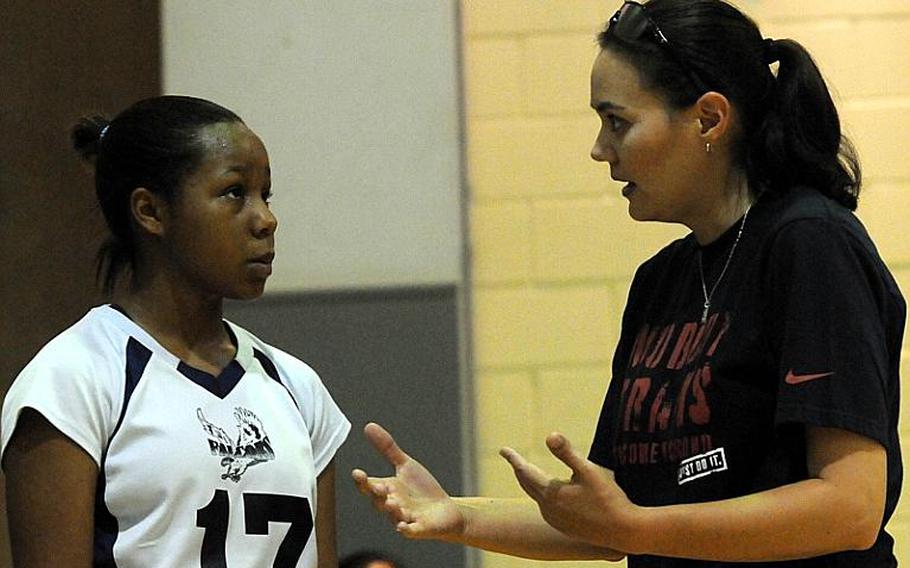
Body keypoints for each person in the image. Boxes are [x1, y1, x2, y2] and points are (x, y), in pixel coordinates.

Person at [352, 0, 904, 565]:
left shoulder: (811, 243)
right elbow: (612, 523)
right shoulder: (660, 281)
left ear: (709, 119)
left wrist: (639, 530)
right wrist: (459, 515)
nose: (599, 149)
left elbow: (850, 509)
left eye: (617, 122)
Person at [1, 95, 351, 567]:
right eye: (234, 193)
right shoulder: (72, 379)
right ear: (150, 211)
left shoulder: (298, 388)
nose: (266, 219)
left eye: (265, 195)